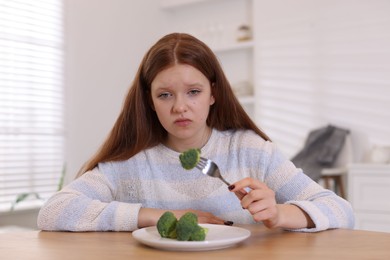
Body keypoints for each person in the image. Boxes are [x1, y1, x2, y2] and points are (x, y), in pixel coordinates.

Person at [37, 33, 354, 232]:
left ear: (212, 94)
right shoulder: (130, 163)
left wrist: (279, 215)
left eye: (193, 92)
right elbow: (54, 212)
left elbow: (341, 210)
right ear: (149, 101)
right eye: (165, 95)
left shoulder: (251, 150)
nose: (180, 107)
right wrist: (163, 216)